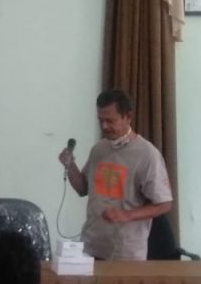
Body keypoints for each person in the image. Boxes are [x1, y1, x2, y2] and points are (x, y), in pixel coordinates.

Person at [58, 89, 173, 260]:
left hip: (126, 254)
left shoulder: (147, 154)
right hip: (91, 247)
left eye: (110, 121)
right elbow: (83, 189)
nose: (104, 126)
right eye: (100, 120)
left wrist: (126, 215)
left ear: (128, 117)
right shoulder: (99, 149)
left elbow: (164, 204)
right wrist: (70, 165)